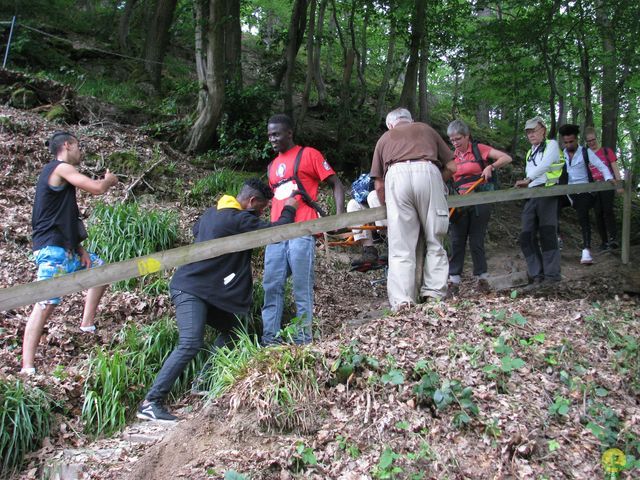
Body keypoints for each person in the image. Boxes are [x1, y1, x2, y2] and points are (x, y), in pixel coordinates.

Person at [138, 179, 298, 422]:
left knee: (235, 330)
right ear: (252, 202)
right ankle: (152, 401)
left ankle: (203, 381)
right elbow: (278, 231)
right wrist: (290, 206)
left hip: (202, 290)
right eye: (262, 208)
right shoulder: (238, 219)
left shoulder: (212, 213)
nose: (261, 213)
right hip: (191, 290)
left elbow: (196, 230)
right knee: (190, 343)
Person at [21, 131, 119, 375]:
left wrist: (79, 248)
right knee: (45, 303)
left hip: (66, 248)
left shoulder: (61, 175)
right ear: (67, 145)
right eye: (78, 146)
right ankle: (27, 367)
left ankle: (86, 325)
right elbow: (96, 188)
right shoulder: (60, 167)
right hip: (52, 249)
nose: (80, 151)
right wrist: (109, 181)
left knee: (100, 270)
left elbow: (64, 218)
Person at [261, 114, 344, 345]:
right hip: (276, 234)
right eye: (269, 135)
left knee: (301, 287)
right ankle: (270, 339)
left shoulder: (309, 154)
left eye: (276, 134)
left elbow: (336, 183)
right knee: (271, 286)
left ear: (289, 133)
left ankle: (303, 339)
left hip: (302, 231)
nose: (272, 139)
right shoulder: (272, 166)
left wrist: (338, 217)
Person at [369, 108, 456, 310]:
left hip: (396, 176)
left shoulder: (384, 138)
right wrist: (436, 181)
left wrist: (387, 207)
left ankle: (402, 302)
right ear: (411, 121)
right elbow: (453, 167)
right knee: (435, 239)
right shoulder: (426, 129)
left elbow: (379, 185)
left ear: (391, 124)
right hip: (428, 171)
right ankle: (433, 295)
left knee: (401, 247)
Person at [446, 119, 512, 293]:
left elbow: (506, 158)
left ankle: (482, 279)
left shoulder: (479, 149)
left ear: (467, 136)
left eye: (458, 139)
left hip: (480, 199)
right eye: (452, 140)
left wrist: (491, 166)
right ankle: (454, 281)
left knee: (476, 240)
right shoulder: (451, 156)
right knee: (456, 240)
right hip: (459, 202)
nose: (455, 143)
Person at [515, 116, 563, 287]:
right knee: (526, 235)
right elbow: (534, 171)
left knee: (547, 232)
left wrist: (527, 179)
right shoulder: (530, 152)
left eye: (533, 131)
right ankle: (537, 274)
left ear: (543, 129)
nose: (531, 135)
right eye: (528, 132)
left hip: (547, 191)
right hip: (532, 194)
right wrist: (527, 184)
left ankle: (552, 276)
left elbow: (545, 165)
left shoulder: (552, 145)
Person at [557, 124, 614, 265]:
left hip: (584, 191)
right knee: (552, 204)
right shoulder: (561, 154)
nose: (569, 144)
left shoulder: (586, 152)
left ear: (576, 140)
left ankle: (586, 249)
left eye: (571, 141)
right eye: (566, 142)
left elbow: (602, 166)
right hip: (568, 191)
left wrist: (609, 178)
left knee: (583, 214)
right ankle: (557, 238)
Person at [584, 127, 623, 251]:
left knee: (608, 210)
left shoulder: (606, 151)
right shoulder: (586, 154)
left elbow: (614, 167)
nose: (591, 143)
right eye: (589, 141)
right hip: (593, 186)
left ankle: (613, 239)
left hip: (607, 184)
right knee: (598, 213)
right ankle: (604, 241)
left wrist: (619, 185)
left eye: (593, 140)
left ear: (597, 138)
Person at [346, 173, 387, 265]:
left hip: (398, 206)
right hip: (381, 207)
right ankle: (369, 250)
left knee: (373, 195)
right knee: (353, 204)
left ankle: (391, 243)